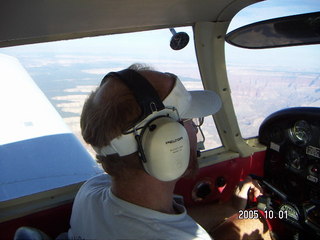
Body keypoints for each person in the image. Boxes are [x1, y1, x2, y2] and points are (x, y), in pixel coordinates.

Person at [68, 64, 271, 240]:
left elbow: (156, 222)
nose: (195, 130)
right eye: (191, 121)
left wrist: (231, 208)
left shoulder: (91, 193)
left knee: (248, 220)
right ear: (167, 141)